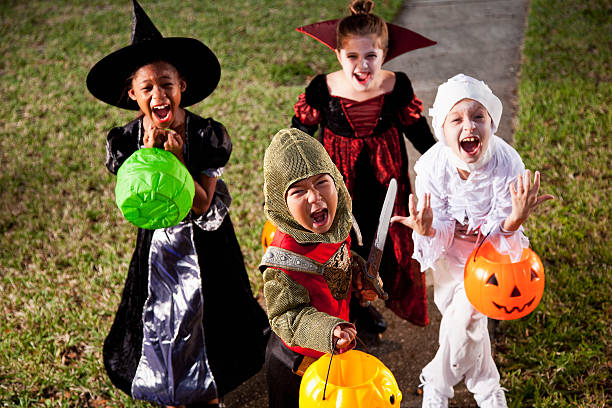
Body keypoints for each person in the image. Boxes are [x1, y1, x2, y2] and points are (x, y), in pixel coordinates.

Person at [86, 1, 269, 407]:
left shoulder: (206, 136)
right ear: (132, 94)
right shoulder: (126, 140)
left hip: (207, 246)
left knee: (210, 318)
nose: (158, 94)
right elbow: (136, 201)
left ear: (182, 84)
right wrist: (148, 161)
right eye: (147, 87)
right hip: (156, 249)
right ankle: (167, 386)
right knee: (160, 315)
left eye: (166, 83)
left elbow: (202, 206)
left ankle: (208, 391)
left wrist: (179, 162)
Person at [391, 74, 554, 408]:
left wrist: (515, 219)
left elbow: (503, 228)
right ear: (443, 130)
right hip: (449, 253)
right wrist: (426, 229)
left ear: (491, 123)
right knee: (461, 323)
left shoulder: (507, 162)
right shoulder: (433, 166)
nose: (469, 125)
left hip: (491, 253)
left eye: (478, 116)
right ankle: (485, 385)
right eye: (457, 119)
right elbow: (438, 222)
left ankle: (437, 385)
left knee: (467, 317)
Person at [292, 0, 437, 332]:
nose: (362, 65)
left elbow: (419, 133)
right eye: (352, 57)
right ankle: (346, 312)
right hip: (339, 185)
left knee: (380, 244)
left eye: (371, 56)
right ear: (339, 55)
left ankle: (367, 303)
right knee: (342, 248)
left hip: (386, 183)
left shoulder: (396, 87)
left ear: (384, 54)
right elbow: (298, 138)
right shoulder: (322, 90)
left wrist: (445, 165)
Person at [260, 128, 381, 408]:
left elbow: (340, 261)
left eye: (321, 183)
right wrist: (328, 330)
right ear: (281, 202)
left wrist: (361, 277)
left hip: (335, 349)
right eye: (298, 191)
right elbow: (286, 316)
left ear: (335, 180)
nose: (315, 198)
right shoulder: (284, 259)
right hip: (297, 365)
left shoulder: (337, 223)